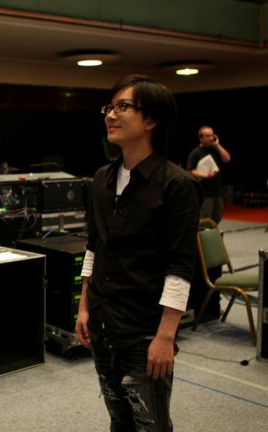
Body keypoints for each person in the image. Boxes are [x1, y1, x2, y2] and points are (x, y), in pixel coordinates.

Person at [75, 75, 202, 431]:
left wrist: (166, 337)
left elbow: (180, 267)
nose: (110, 115)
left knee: (151, 426)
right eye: (109, 107)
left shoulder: (177, 184)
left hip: (144, 331)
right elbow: (94, 247)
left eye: (123, 107)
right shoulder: (102, 179)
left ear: (151, 120)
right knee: (119, 421)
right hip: (103, 323)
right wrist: (84, 306)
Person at [186, 125, 231, 223]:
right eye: (207, 136)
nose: (211, 138)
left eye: (212, 135)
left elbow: (227, 159)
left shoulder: (215, 149)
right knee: (204, 221)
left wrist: (218, 145)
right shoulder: (195, 153)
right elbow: (190, 170)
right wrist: (204, 175)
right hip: (205, 194)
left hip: (217, 192)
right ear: (201, 138)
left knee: (216, 219)